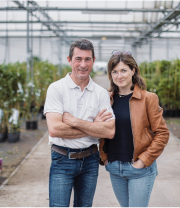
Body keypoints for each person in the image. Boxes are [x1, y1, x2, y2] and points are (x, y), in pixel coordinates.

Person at [44, 39, 115, 207]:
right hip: (62, 158)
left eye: (87, 59)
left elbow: (110, 131)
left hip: (90, 160)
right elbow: (54, 129)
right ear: (69, 60)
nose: (83, 64)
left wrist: (74, 121)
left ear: (93, 60)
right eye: (78, 59)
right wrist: (94, 126)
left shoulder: (100, 93)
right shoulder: (56, 89)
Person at [99, 51, 170, 207]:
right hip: (114, 168)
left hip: (139, 169)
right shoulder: (106, 99)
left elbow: (162, 133)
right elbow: (99, 129)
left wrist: (143, 160)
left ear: (133, 70)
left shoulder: (148, 98)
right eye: (115, 72)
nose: (119, 76)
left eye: (124, 70)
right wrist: (104, 157)